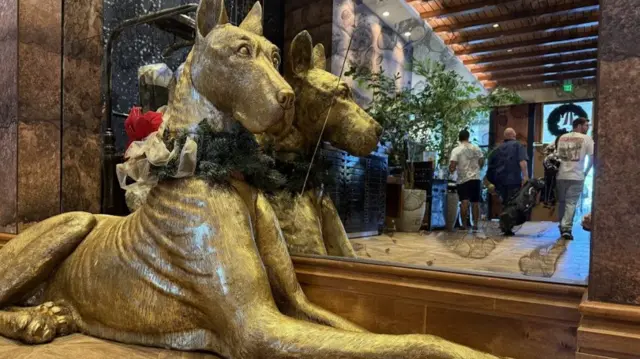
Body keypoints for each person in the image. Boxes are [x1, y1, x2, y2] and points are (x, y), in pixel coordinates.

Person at [556, 117, 594, 240]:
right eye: (586, 125)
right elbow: (592, 158)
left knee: (562, 202)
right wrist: (586, 172)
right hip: (576, 175)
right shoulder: (587, 139)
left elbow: (558, 155)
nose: (587, 128)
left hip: (561, 175)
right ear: (578, 125)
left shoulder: (562, 137)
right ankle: (566, 229)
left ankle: (561, 225)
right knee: (571, 202)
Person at [449, 129, 484, 231]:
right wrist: (477, 169)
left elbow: (452, 165)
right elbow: (481, 161)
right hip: (476, 178)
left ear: (459, 138)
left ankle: (464, 225)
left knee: (464, 201)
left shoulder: (457, 150)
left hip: (463, 179)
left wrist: (451, 170)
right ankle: (475, 224)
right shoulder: (477, 148)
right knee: (475, 202)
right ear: (468, 137)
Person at [487, 128, 530, 206]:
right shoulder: (518, 145)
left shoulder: (497, 148)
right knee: (513, 203)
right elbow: (522, 162)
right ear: (514, 135)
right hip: (513, 180)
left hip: (500, 181)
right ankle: (510, 217)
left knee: (504, 203)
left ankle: (504, 216)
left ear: (505, 136)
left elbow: (491, 165)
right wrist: (525, 177)